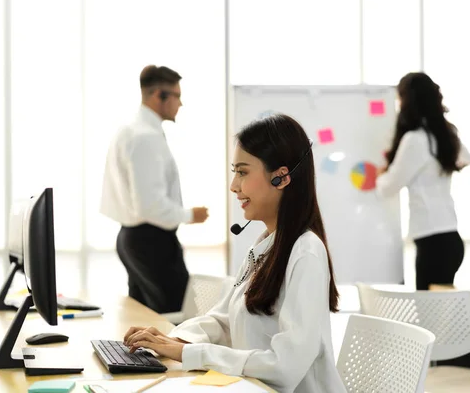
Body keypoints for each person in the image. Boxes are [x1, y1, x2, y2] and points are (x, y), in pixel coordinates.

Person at [123, 114, 346, 393]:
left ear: (281, 178)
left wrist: (188, 353)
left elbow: (284, 367)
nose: (234, 186)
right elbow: (224, 322)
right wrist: (172, 341)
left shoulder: (306, 253)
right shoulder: (265, 247)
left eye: (242, 172)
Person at [100, 65, 209, 313]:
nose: (180, 104)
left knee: (145, 317)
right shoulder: (145, 136)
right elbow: (149, 205)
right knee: (178, 317)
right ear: (159, 95)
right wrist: (191, 215)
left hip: (133, 238)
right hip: (152, 241)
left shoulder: (129, 130)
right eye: (177, 96)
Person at [375, 72, 470, 290]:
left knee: (429, 317)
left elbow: (388, 187)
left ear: (407, 100)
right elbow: (465, 158)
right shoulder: (445, 133)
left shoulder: (414, 140)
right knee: (441, 314)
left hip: (432, 241)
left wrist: (382, 175)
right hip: (450, 238)